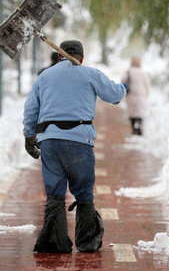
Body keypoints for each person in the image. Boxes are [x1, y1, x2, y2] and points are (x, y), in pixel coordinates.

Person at [23, 40, 128, 253]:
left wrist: (29, 136)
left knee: (55, 193)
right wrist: (124, 88)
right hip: (79, 141)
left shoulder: (44, 77)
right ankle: (87, 240)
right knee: (83, 191)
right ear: (81, 57)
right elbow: (114, 95)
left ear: (60, 56)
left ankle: (55, 242)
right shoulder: (90, 74)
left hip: (50, 142)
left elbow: (31, 109)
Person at [121, 56, 150, 135]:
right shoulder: (143, 73)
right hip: (141, 95)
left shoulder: (128, 72)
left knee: (132, 112)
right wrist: (146, 94)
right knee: (140, 112)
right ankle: (139, 126)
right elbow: (147, 85)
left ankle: (134, 128)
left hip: (130, 95)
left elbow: (123, 82)